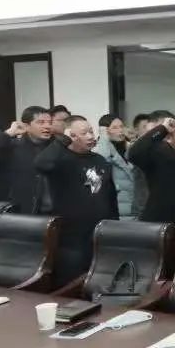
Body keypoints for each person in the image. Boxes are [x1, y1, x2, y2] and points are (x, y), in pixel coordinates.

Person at [35, 115, 118, 288]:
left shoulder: (99, 160)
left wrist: (114, 225)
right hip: (71, 236)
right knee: (71, 284)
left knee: (98, 282)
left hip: (99, 233)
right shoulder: (61, 160)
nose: (90, 136)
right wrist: (62, 140)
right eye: (84, 133)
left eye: (91, 131)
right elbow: (40, 164)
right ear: (71, 136)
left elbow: (110, 195)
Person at [0, 106, 53, 214]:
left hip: (50, 212)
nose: (47, 126)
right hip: (19, 211)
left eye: (50, 122)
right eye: (41, 122)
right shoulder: (12, 146)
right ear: (27, 126)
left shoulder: (53, 148)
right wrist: (8, 133)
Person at [95, 114, 140, 220]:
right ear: (105, 131)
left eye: (121, 126)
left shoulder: (129, 148)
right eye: (114, 127)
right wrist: (103, 137)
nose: (120, 130)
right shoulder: (101, 149)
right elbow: (101, 159)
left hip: (135, 207)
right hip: (118, 210)